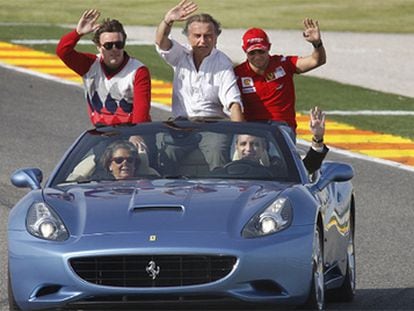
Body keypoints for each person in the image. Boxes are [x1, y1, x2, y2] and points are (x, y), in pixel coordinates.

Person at [155, 0, 244, 172]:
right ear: (188, 37)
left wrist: (241, 136)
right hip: (181, 125)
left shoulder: (222, 63)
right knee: (164, 155)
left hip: (213, 126)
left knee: (217, 155)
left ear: (216, 36)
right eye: (197, 36)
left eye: (208, 36)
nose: (203, 41)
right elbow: (161, 41)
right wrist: (168, 20)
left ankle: (219, 193)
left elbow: (234, 103)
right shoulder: (180, 55)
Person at [56, 9, 151, 127]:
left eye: (119, 44)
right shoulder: (89, 65)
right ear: (99, 47)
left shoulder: (138, 71)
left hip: (130, 132)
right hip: (101, 133)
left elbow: (141, 112)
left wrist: (135, 137)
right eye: (108, 45)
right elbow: (63, 51)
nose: (114, 49)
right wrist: (78, 32)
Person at [234, 20, 326, 132]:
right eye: (252, 53)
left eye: (261, 51)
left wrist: (317, 44)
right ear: (244, 51)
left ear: (269, 47)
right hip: (254, 130)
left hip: (283, 129)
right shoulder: (237, 74)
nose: (257, 56)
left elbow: (317, 61)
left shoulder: (283, 64)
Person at [233, 107, 328, 175]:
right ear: (236, 146)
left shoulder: (278, 172)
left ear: (263, 147)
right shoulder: (221, 172)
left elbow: (308, 167)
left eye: (255, 144)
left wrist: (318, 137)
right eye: (243, 144)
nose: (248, 149)